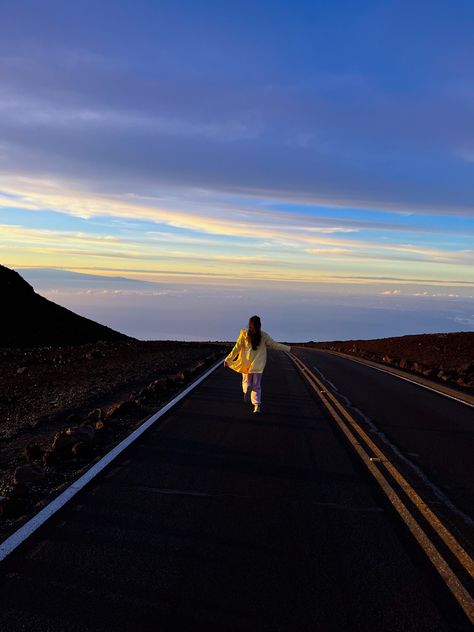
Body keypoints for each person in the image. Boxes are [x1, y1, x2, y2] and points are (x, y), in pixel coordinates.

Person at [224, 315, 291, 414]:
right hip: (258, 365)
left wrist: (228, 359)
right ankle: (257, 406)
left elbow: (236, 348)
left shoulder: (244, 335)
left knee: (246, 381)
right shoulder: (263, 336)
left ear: (249, 324)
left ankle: (247, 389)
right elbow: (274, 345)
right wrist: (289, 349)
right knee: (257, 385)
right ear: (259, 325)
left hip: (246, 364)